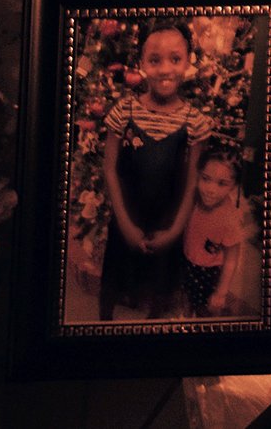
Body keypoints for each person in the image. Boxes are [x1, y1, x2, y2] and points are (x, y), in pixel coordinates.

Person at [100, 19, 211, 319]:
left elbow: (191, 182)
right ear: (141, 63)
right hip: (127, 214)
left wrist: (174, 231)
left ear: (188, 61)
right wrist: (124, 223)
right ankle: (102, 329)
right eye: (155, 59)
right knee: (114, 275)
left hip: (167, 218)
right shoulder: (124, 111)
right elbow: (109, 169)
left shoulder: (195, 121)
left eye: (175, 59)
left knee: (161, 286)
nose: (165, 69)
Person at [179, 141, 247, 317]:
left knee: (205, 311)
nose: (210, 190)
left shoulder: (229, 219)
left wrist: (221, 292)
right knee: (186, 296)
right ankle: (185, 319)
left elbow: (232, 258)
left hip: (208, 274)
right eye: (205, 179)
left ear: (233, 185)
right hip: (187, 261)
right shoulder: (193, 198)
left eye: (221, 183)